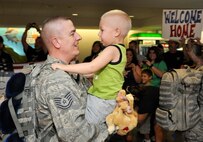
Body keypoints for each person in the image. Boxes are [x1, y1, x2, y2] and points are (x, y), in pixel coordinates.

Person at [32, 16, 111, 142]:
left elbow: (91, 101)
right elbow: (78, 136)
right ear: (57, 42)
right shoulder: (56, 79)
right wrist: (113, 125)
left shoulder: (69, 70)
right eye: (72, 33)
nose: (79, 37)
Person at [52, 9, 132, 125]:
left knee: (89, 128)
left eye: (102, 30)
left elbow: (91, 67)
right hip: (104, 98)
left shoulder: (112, 50)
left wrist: (63, 67)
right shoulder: (120, 49)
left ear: (116, 32)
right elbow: (97, 73)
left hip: (102, 99)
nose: (99, 34)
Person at [182, 38, 203, 142]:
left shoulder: (200, 70)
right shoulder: (196, 68)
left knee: (194, 137)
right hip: (193, 111)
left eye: (188, 50)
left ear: (191, 52)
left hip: (198, 112)